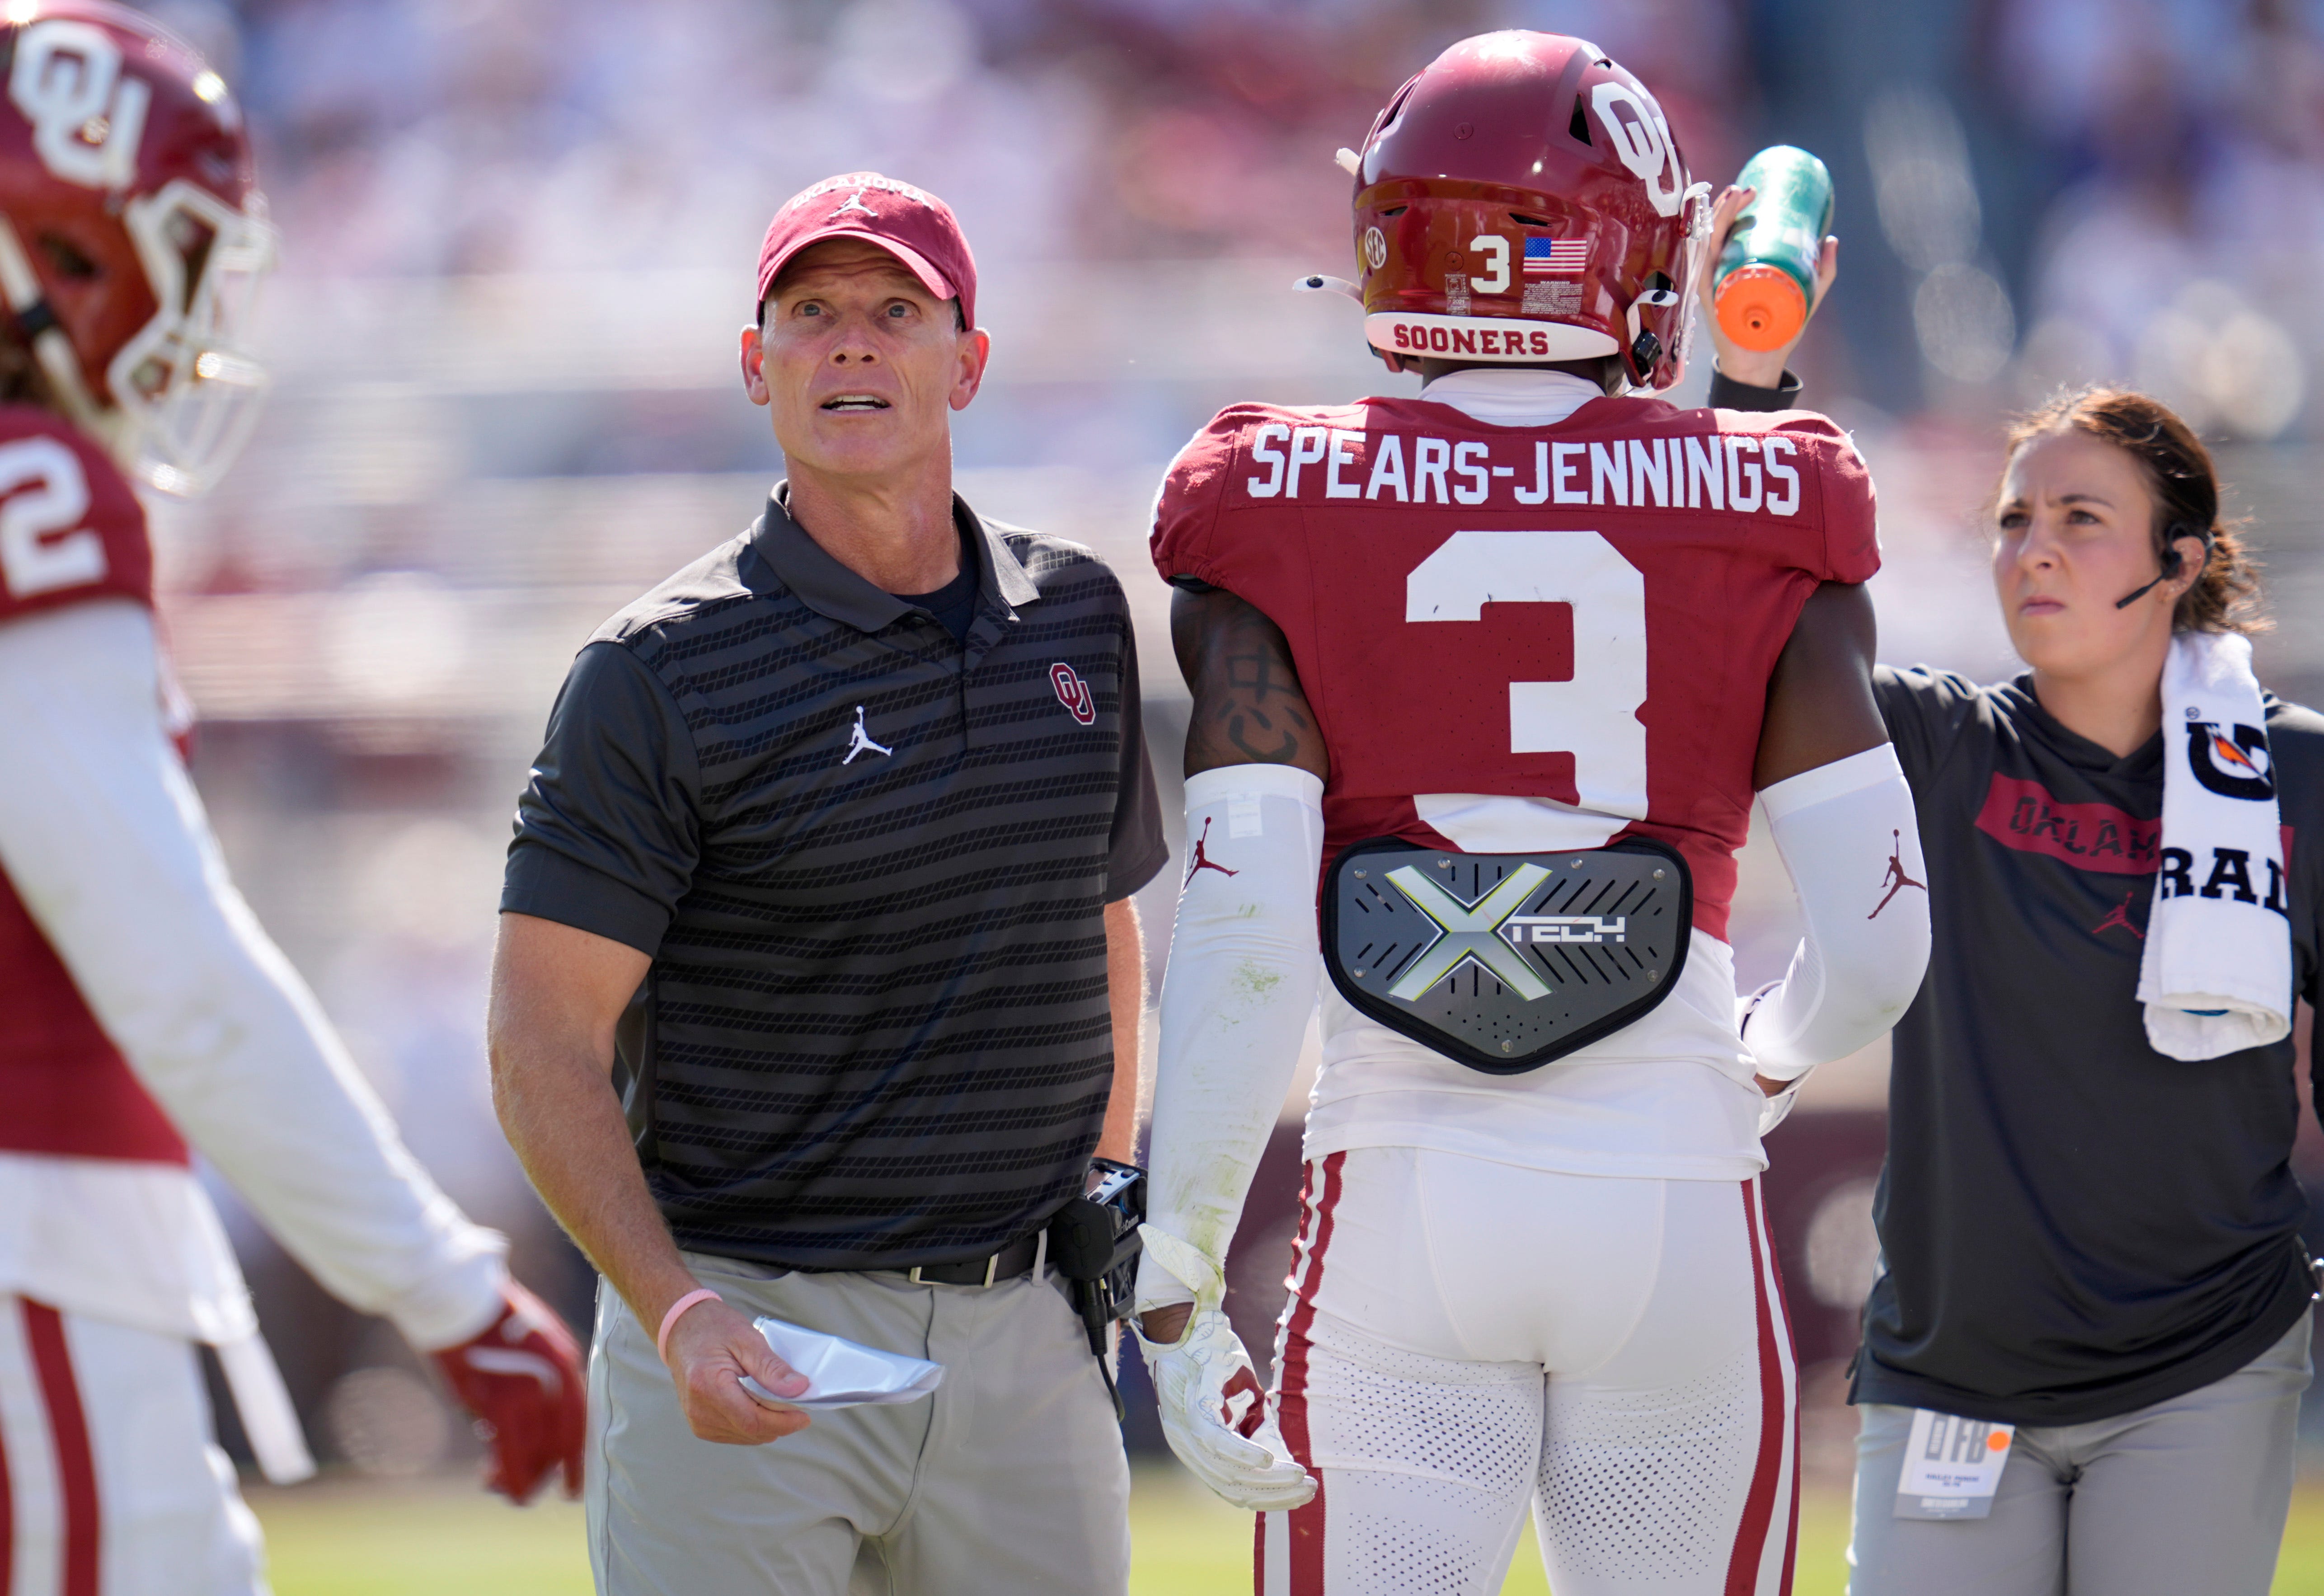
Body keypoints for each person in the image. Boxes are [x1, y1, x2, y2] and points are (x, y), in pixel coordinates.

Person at [1130, 30, 1930, 1596]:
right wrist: (1761, 1054)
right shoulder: (1771, 493)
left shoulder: (1269, 495)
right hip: (1674, 1186)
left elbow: (1243, 934)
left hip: (1398, 1196)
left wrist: (1176, 1273)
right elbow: (1884, 946)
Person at [489, 171, 1166, 1596]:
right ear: (758, 365)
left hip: (1023, 1335)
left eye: (893, 311)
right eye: (811, 313)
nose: (851, 342)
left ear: (966, 361)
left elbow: (1100, 939)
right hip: (750, 1330)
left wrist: (1105, 1192)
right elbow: (541, 1039)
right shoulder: (656, 669)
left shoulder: (1081, 615)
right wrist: (673, 1312)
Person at [0, 5, 586, 1590]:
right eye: (163, 252)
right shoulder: (34, 489)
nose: (188, 317)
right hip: (33, 1242)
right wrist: (446, 1285)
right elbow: (172, 969)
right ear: (48, 254)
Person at [1832, 385, 2324, 1596]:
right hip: (1953, 1370)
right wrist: (1753, 387)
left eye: (2082, 516)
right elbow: (1747, 634)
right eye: (2014, 517)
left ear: (2181, 559)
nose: (2033, 547)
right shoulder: (1932, 744)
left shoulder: (2297, 770)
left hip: (2208, 1362)